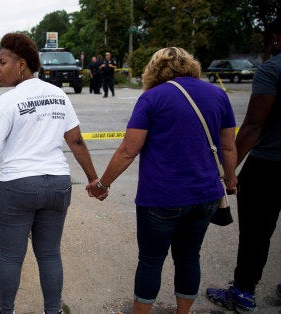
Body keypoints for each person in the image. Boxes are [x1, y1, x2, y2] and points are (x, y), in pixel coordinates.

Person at [0, 33, 100, 314]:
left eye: (2, 62)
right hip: (58, 185)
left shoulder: (8, 101)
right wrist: (93, 180)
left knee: (11, 258)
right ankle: (53, 310)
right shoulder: (58, 95)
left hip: (18, 187)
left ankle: (6, 311)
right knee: (49, 254)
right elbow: (76, 141)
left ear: (21, 64)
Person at [87, 47, 238, 314]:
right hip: (205, 195)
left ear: (154, 70)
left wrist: (103, 184)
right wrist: (231, 180)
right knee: (189, 257)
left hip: (160, 198)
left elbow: (128, 150)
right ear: (191, 65)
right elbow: (228, 147)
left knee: (150, 261)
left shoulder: (152, 98)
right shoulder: (218, 95)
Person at [206, 18, 281, 313]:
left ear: (276, 38)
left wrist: (230, 171)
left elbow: (252, 125)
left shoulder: (272, 69)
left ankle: (243, 293)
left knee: (257, 233)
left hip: (269, 165)